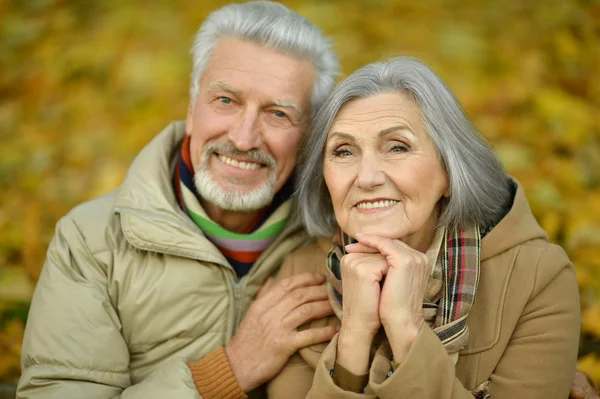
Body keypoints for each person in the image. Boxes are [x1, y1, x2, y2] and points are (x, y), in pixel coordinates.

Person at [16, 2, 340, 398]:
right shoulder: (92, 241)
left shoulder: (335, 244)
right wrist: (230, 370)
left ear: (309, 135)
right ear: (191, 109)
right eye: (226, 101)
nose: (243, 138)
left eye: (278, 114)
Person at [267, 57, 581, 398]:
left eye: (397, 147)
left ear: (449, 172)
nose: (367, 177)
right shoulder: (299, 275)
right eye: (344, 152)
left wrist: (406, 328)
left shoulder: (539, 277)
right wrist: (354, 336)